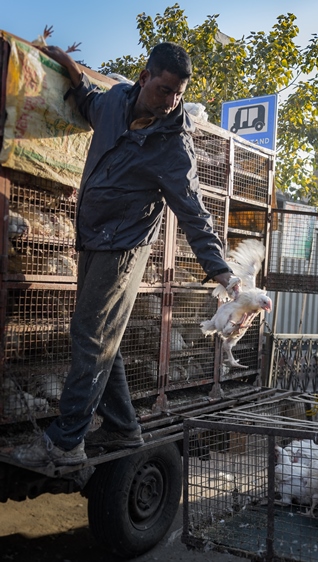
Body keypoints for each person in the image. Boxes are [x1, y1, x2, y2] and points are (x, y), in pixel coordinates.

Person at [12, 42, 235, 468]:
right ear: (145, 78)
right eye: (165, 89)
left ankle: (65, 443)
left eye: (178, 93)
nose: (171, 101)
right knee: (101, 338)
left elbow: (193, 212)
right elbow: (89, 104)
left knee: (89, 336)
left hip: (124, 248)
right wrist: (72, 72)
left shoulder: (173, 145)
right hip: (91, 237)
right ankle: (121, 423)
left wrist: (220, 269)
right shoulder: (116, 102)